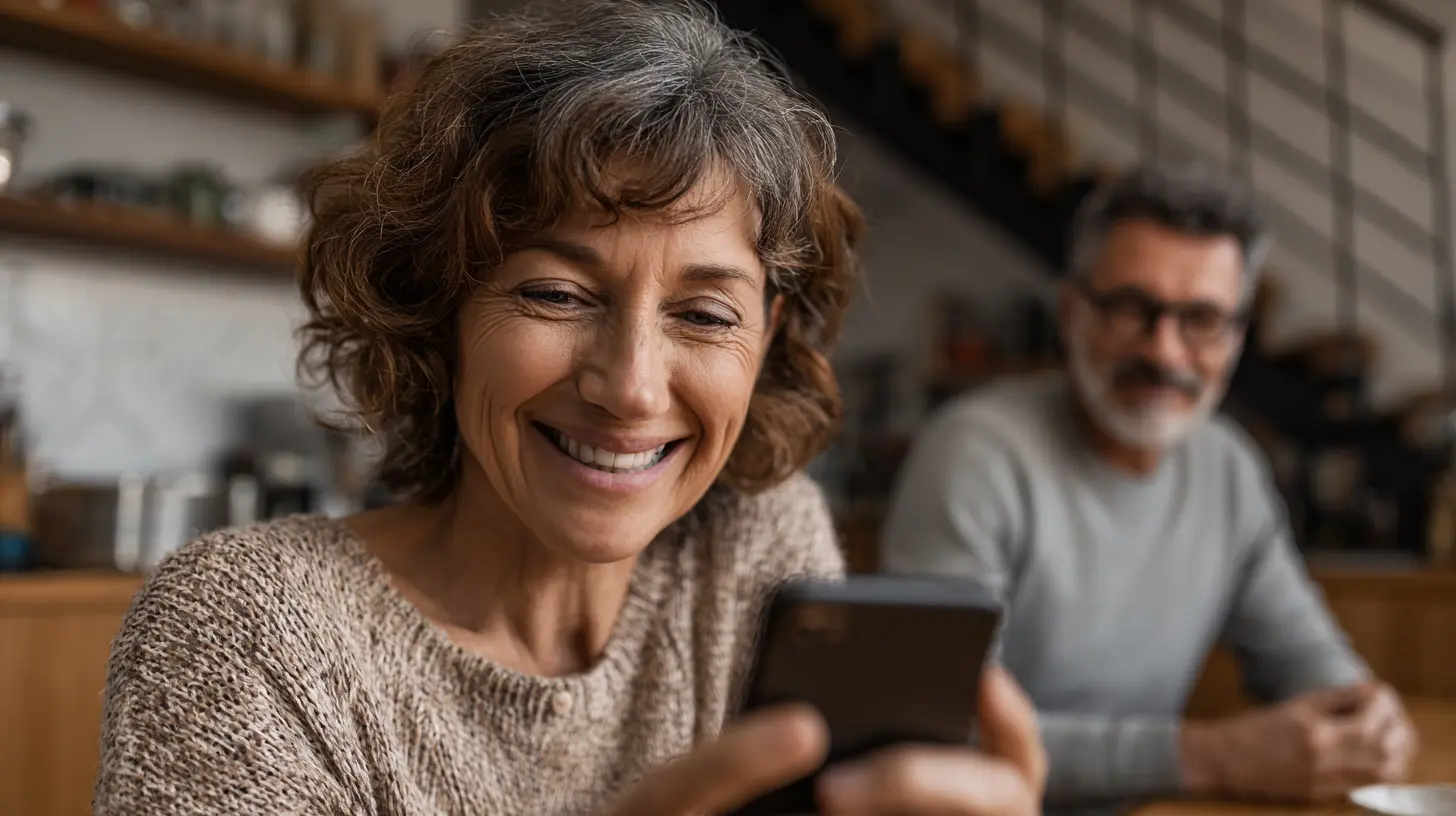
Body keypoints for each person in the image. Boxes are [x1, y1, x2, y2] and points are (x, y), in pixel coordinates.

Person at [93, 2, 1046, 814]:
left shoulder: (752, 550)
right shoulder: (248, 634)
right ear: (439, 304)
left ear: (766, 336)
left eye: (706, 314)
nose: (631, 386)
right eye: (555, 294)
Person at [880, 165, 1417, 813]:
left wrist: (1364, 717)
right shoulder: (973, 453)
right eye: (1133, 310)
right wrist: (1212, 757)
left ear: (1237, 337)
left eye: (1201, 319)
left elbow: (1307, 659)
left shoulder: (1229, 467)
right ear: (1072, 311)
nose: (1165, 352)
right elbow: (940, 730)